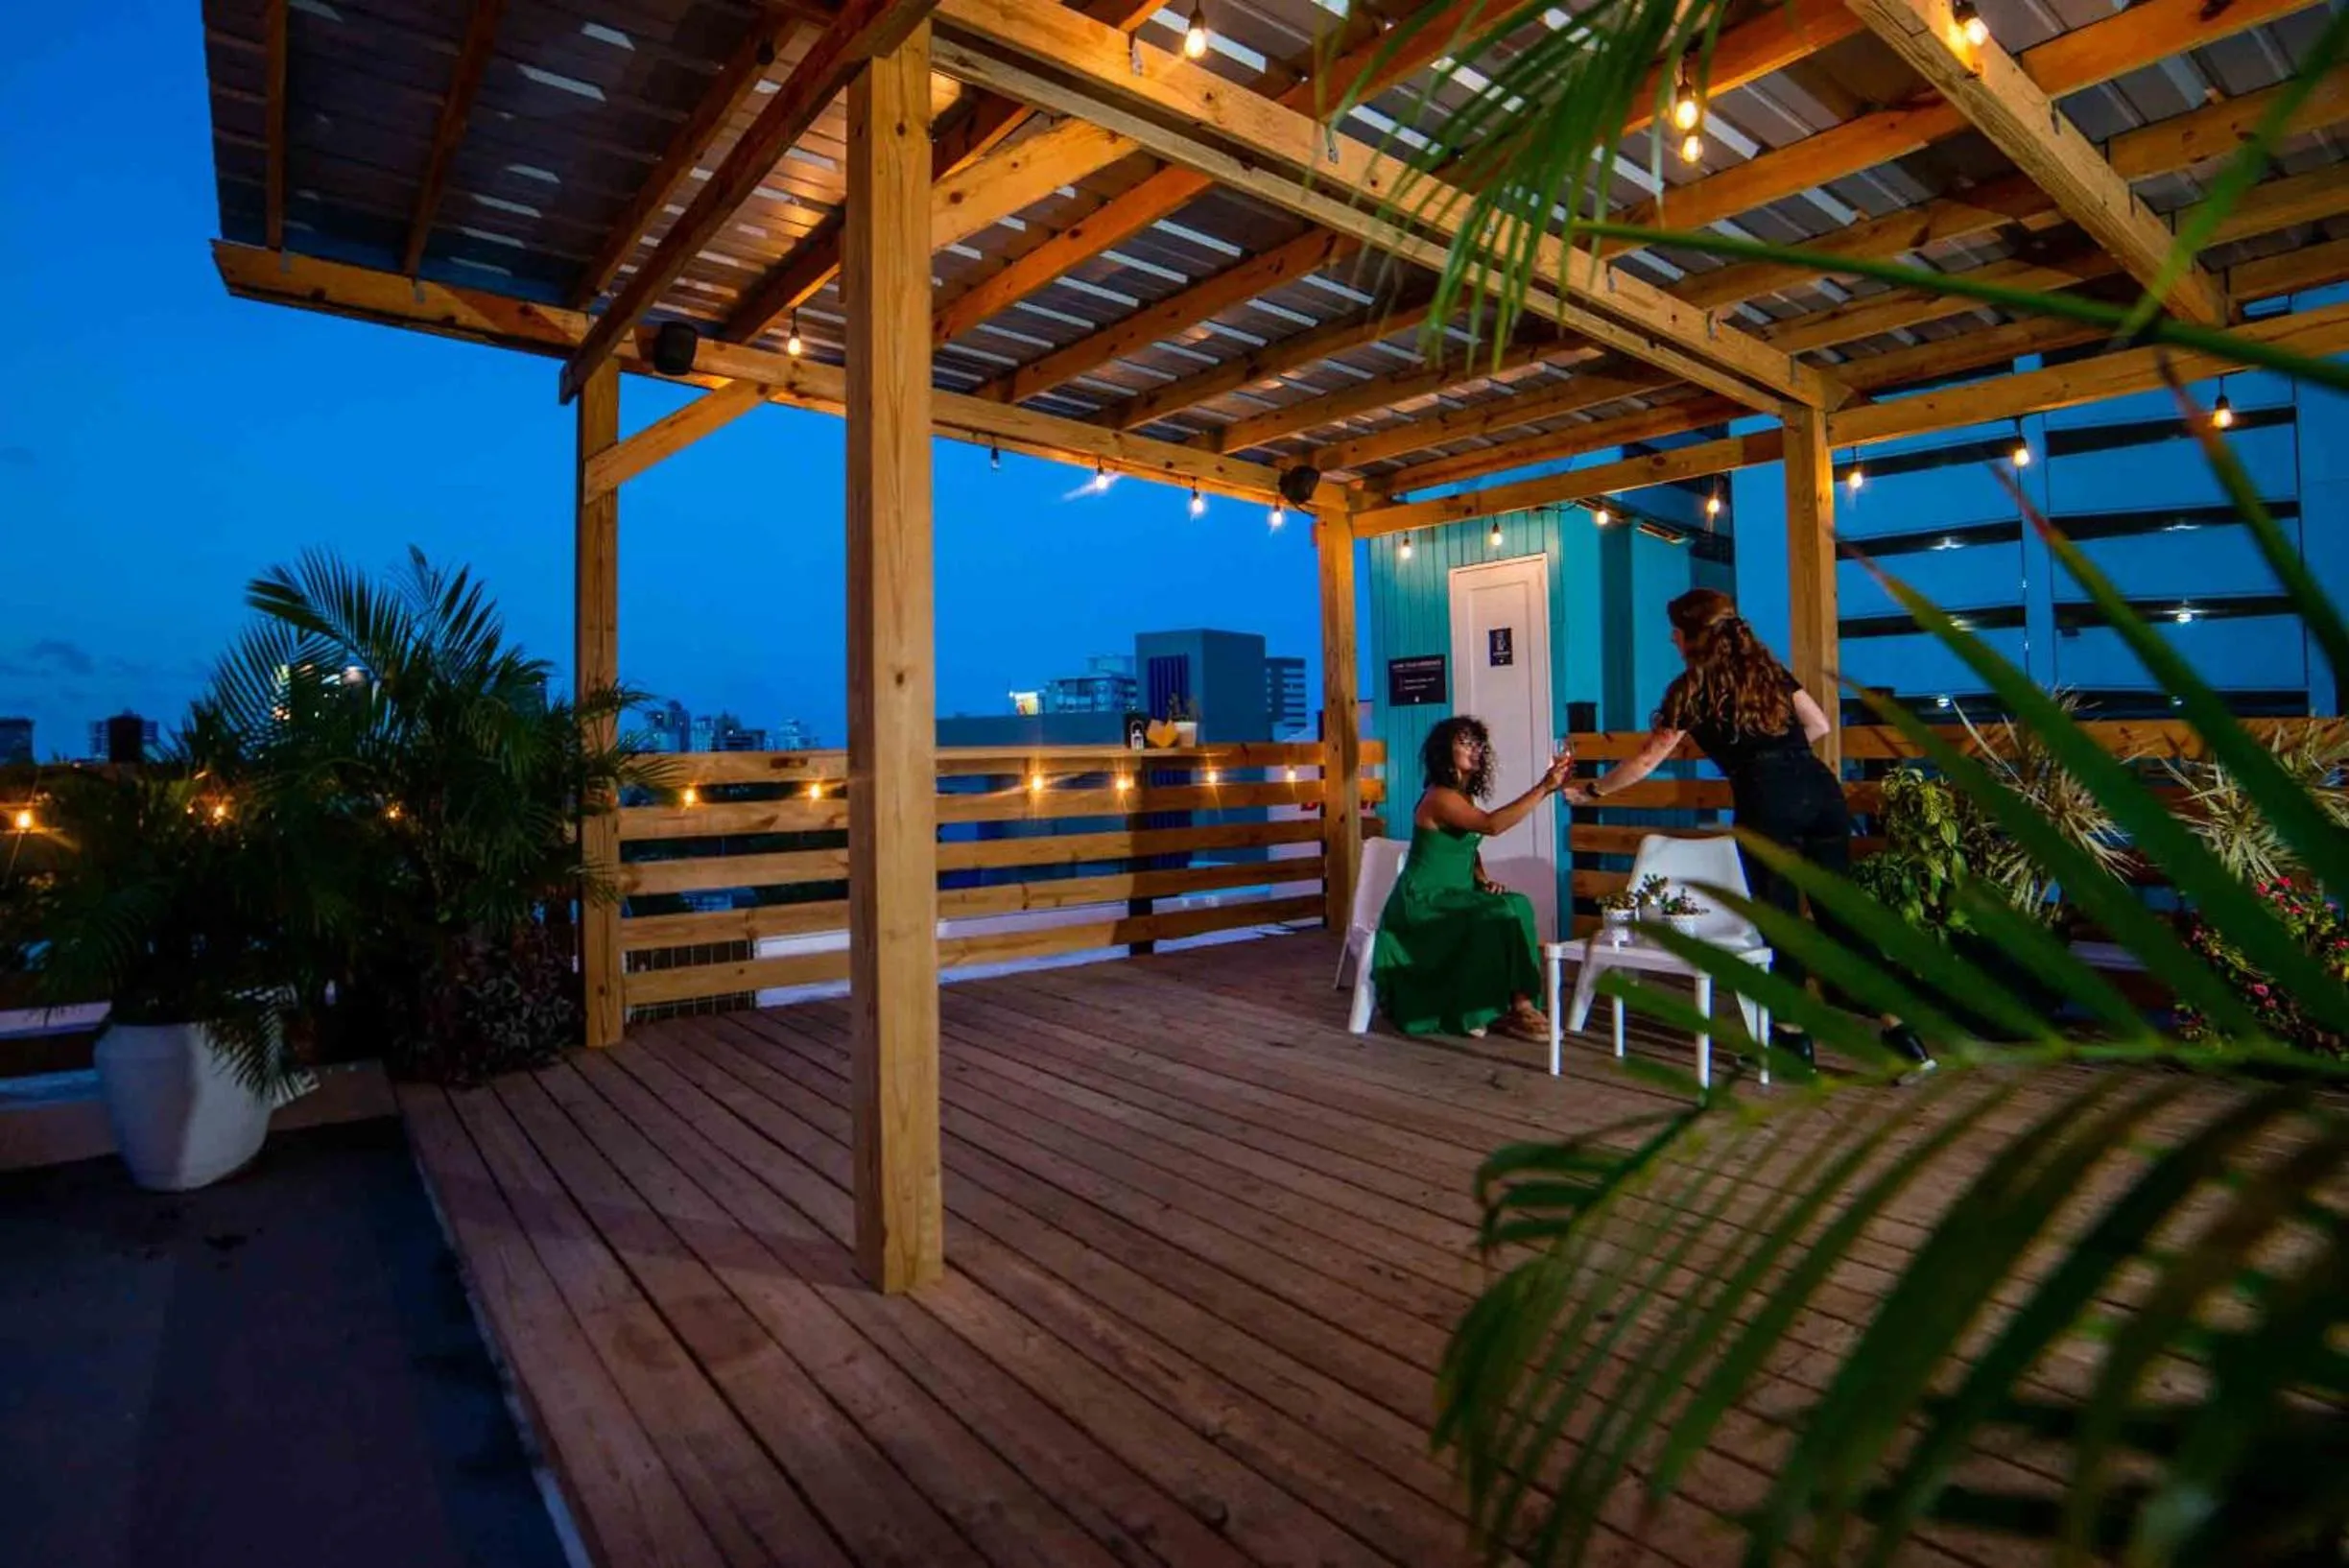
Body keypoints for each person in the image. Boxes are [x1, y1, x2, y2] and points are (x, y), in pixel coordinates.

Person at [1561, 587, 1932, 1076]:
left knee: (1780, 920)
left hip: (1766, 800)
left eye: (1676, 629)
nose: (1671, 637)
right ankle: (1903, 1034)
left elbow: (1647, 760)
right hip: (1819, 790)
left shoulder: (1691, 688)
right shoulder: (1767, 672)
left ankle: (1793, 1041)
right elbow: (1817, 724)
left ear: (1695, 637)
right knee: (1841, 916)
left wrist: (1591, 791)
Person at [1372, 716, 1575, 1042]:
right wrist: (1544, 788)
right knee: (1499, 911)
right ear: (1444, 751)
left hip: (1456, 893)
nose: (1475, 749)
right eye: (1465, 742)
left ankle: (1517, 1005)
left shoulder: (1462, 796)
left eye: (1478, 743)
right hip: (1424, 899)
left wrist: (1481, 878)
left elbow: (1468, 846)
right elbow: (1491, 826)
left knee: (1516, 905)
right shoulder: (1439, 796)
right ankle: (1508, 1009)